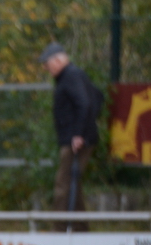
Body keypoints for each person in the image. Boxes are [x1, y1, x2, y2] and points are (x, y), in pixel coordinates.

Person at [41, 42, 101, 232]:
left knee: (63, 184)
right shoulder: (73, 75)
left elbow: (84, 103)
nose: (46, 68)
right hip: (78, 137)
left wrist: (78, 134)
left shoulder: (71, 76)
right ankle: (80, 229)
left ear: (58, 60)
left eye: (47, 64)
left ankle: (58, 231)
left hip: (75, 141)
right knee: (73, 183)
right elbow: (97, 98)